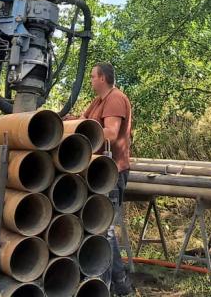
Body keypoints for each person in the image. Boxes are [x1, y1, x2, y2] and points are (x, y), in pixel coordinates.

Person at [75, 62, 133, 295]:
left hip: (112, 172)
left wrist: (81, 131)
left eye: (92, 77)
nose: (90, 80)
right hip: (97, 171)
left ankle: (112, 284)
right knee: (98, 227)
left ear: (103, 78)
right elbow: (83, 119)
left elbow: (110, 133)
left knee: (105, 229)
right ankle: (118, 282)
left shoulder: (115, 99)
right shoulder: (99, 101)